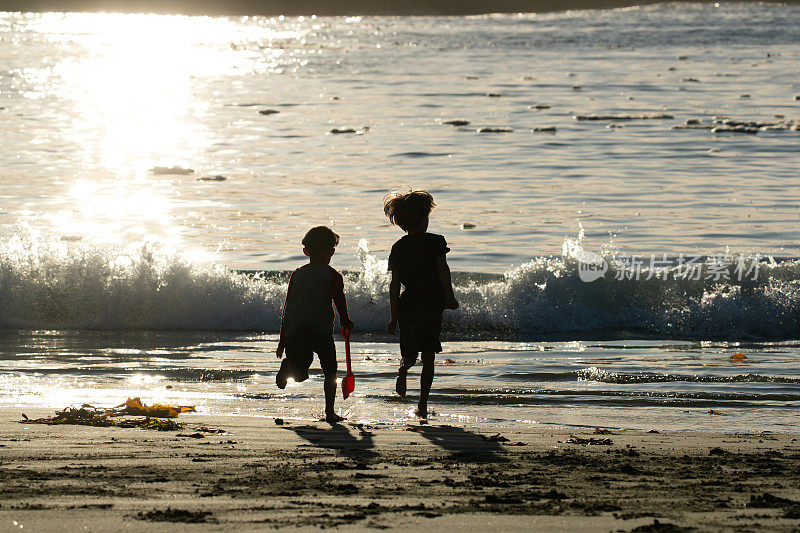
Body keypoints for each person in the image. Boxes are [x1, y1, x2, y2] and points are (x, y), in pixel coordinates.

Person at [384, 189, 458, 419]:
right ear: (424, 218)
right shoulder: (436, 242)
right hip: (431, 305)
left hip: (407, 305)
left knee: (410, 354)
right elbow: (442, 270)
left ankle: (403, 370)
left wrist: (394, 315)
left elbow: (394, 285)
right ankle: (423, 403)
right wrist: (450, 296)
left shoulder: (398, 247)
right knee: (428, 356)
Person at [276, 226, 355, 424]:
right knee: (330, 371)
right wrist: (345, 320)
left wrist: (283, 339)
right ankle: (329, 412)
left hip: (296, 329)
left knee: (301, 373)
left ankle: (289, 366)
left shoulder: (297, 274)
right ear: (332, 252)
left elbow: (288, 306)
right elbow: (339, 300)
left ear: (305, 251)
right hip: (320, 331)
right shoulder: (333, 275)